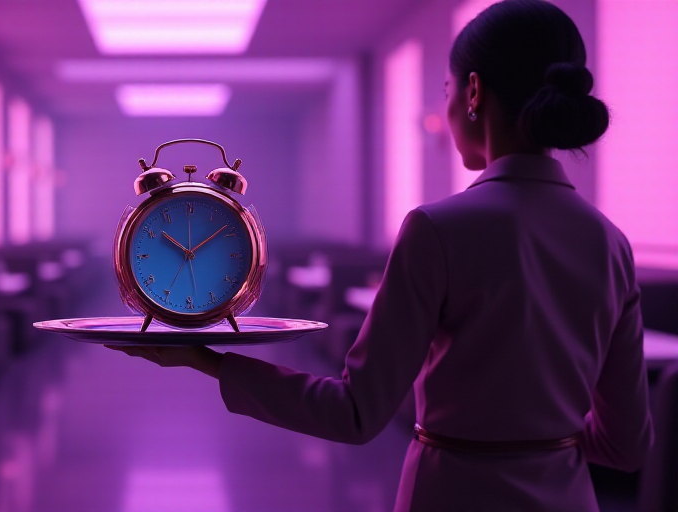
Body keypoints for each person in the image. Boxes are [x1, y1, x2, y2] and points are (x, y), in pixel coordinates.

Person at [106, 0, 653, 510]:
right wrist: (539, 436)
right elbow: (626, 447)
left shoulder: (436, 229)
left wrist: (208, 360)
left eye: (444, 87)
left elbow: (356, 412)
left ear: (473, 92)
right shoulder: (610, 243)